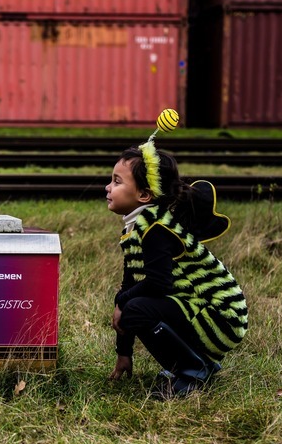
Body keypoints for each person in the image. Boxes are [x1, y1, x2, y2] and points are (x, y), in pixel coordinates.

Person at [104, 125, 248, 398]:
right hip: (198, 309)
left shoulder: (156, 230)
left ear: (144, 196)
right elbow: (128, 285)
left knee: (135, 308)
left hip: (221, 315)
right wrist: (124, 353)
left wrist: (123, 303)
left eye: (117, 181)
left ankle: (192, 371)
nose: (108, 187)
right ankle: (193, 363)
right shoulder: (137, 228)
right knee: (132, 304)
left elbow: (158, 284)